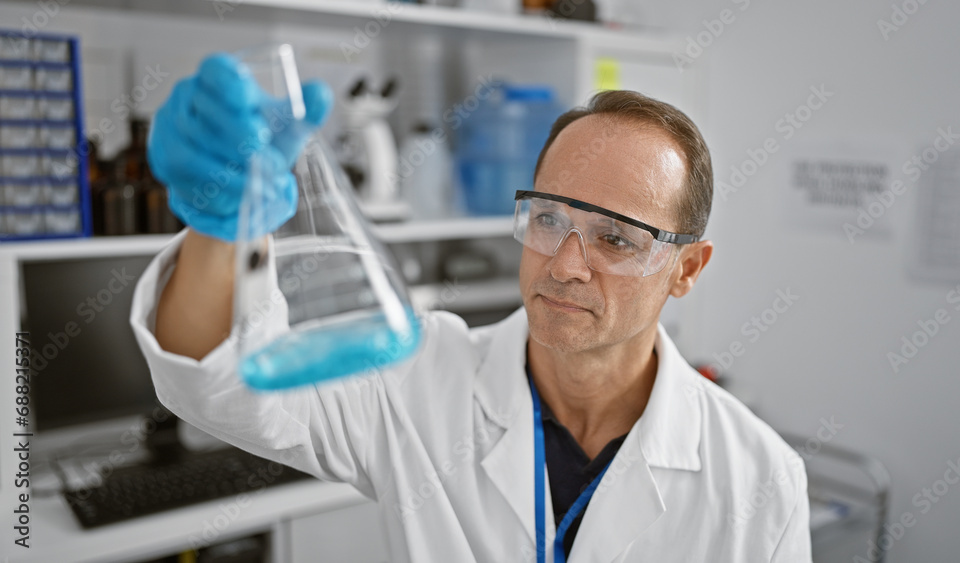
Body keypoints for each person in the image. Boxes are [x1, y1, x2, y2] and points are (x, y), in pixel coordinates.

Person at [131, 53, 812, 562]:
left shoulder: (760, 479)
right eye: (549, 218)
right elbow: (217, 386)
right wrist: (220, 225)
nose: (566, 263)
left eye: (614, 238)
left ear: (686, 268)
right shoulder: (417, 377)